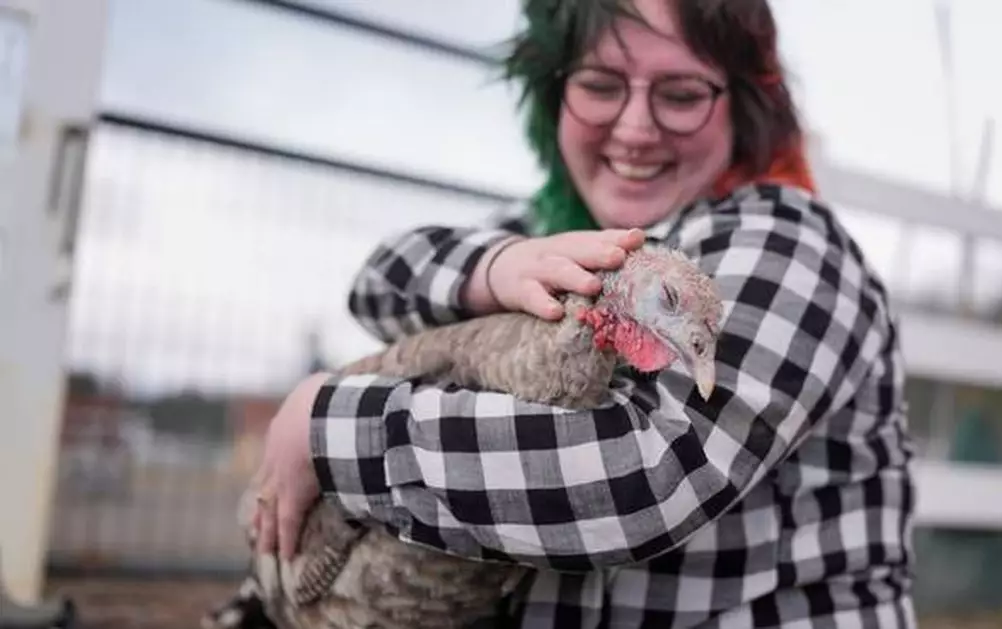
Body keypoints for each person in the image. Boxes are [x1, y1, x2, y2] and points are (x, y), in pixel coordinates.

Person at [251, 0, 917, 626]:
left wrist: (331, 427)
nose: (635, 129)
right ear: (553, 94)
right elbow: (378, 283)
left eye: (682, 94)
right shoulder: (547, 234)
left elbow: (648, 475)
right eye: (600, 85)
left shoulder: (784, 242)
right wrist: (498, 266)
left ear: (741, 104)